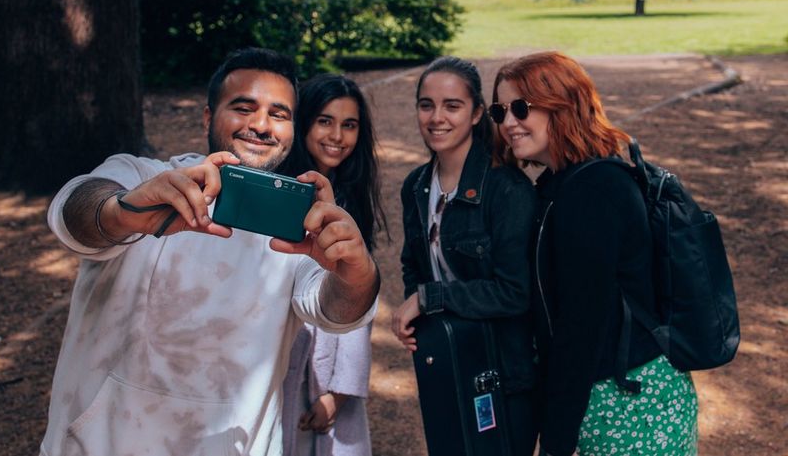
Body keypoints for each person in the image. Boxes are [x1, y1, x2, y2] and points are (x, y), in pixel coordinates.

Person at [40, 48, 380, 456]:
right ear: (208, 117)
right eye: (244, 107)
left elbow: (334, 312)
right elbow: (75, 211)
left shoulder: (298, 228)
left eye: (279, 114)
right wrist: (124, 213)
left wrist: (356, 274)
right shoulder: (142, 176)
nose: (260, 125)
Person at [491, 51, 698, 456]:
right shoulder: (563, 183)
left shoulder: (593, 190)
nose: (508, 123)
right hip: (610, 396)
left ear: (563, 106)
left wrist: (556, 438)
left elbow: (582, 326)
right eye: (500, 111)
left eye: (521, 108)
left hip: (630, 405)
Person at [390, 56, 538, 455]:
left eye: (452, 106)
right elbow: (413, 264)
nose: (436, 117)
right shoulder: (417, 185)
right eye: (426, 105)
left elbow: (515, 292)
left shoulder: (506, 190)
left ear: (475, 114)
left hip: (506, 375)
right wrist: (423, 319)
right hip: (450, 360)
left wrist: (430, 299)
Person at [279, 74, 387, 456]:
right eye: (325, 121)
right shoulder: (280, 191)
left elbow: (359, 303)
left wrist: (339, 394)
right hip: (282, 359)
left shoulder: (350, 195)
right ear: (304, 121)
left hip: (329, 364)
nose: (337, 136)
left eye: (349, 124)